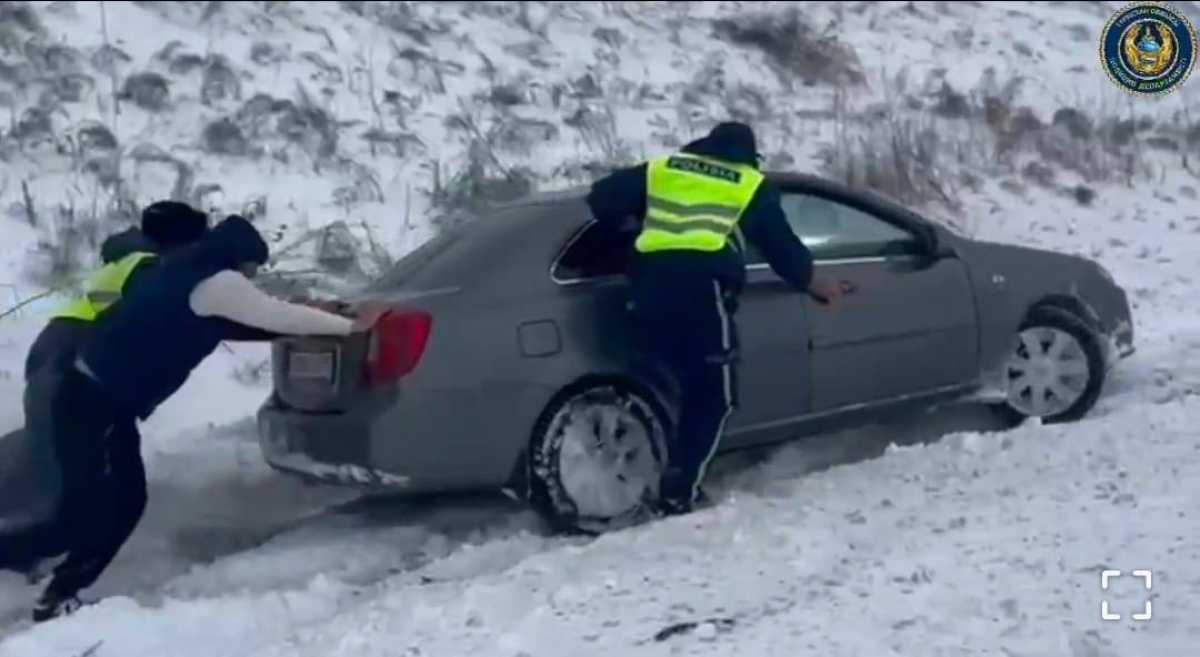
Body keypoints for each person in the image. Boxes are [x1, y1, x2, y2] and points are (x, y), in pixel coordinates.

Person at [29, 214, 375, 622]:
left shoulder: (183, 273)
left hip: (90, 399)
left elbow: (234, 324)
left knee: (106, 505)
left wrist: (314, 318)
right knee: (94, 509)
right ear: (239, 258)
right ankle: (55, 595)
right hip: (95, 405)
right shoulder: (218, 282)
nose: (252, 275)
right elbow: (274, 317)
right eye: (252, 267)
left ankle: (55, 590)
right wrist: (350, 327)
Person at [585, 121, 854, 517]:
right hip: (701, 294)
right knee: (714, 397)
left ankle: (629, 480)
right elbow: (782, 248)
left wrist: (636, 227)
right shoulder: (747, 182)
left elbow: (601, 198)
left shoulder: (664, 169)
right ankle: (678, 494)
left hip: (645, 293)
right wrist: (817, 284)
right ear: (748, 155)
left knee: (654, 385)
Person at [1, 201, 211, 579]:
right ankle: (27, 556)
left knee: (45, 467)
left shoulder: (121, 267)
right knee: (87, 499)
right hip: (72, 374)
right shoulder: (151, 271)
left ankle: (22, 556)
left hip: (50, 363)